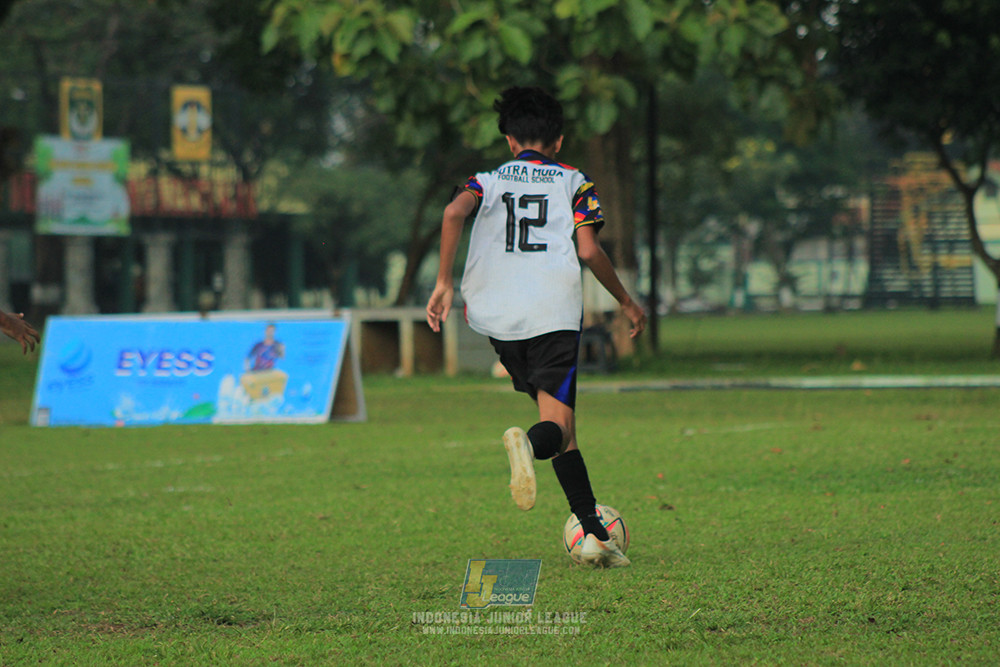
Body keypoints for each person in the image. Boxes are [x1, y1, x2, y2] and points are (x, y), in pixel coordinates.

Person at [426, 86, 646, 568]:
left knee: (564, 428)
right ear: (559, 141)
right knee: (556, 427)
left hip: (497, 319)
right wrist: (627, 302)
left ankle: (593, 537)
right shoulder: (574, 182)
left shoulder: (485, 180)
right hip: (551, 313)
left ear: (508, 140)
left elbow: (451, 213)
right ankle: (528, 445)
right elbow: (588, 251)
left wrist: (444, 281)